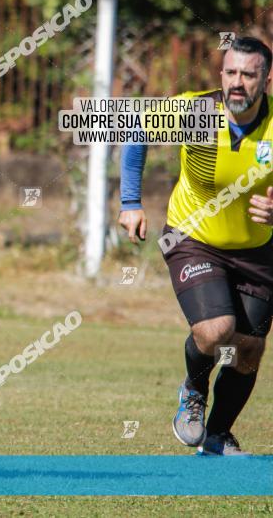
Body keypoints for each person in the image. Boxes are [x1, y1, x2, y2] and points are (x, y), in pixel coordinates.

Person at [119, 36, 273, 455]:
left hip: (258, 249)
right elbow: (136, 128)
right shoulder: (197, 112)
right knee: (215, 332)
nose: (237, 83)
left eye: (248, 74)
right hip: (193, 238)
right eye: (231, 72)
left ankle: (218, 435)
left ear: (267, 78)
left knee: (249, 350)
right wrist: (130, 202)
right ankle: (192, 388)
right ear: (221, 74)